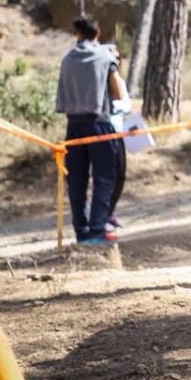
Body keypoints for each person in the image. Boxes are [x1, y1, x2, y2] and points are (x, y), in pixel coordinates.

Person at [56, 15, 127, 244]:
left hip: (74, 124)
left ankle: (81, 231)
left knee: (77, 179)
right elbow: (118, 92)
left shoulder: (68, 59)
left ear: (78, 34)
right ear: (97, 34)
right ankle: (97, 229)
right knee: (104, 177)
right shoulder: (105, 57)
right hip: (100, 123)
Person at [105, 46, 131, 232]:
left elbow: (126, 104)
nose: (116, 62)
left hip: (120, 132)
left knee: (120, 176)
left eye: (118, 58)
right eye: (112, 59)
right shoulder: (100, 84)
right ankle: (102, 215)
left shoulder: (120, 81)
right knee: (107, 177)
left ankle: (110, 212)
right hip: (106, 132)